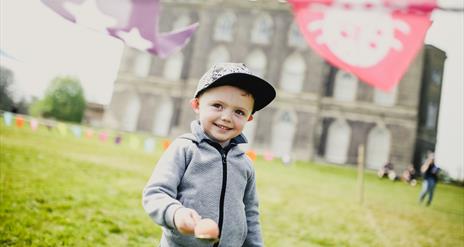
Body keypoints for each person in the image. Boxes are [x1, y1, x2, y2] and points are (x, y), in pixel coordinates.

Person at [142, 63, 276, 247]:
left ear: (249, 118)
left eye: (239, 112)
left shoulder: (245, 164)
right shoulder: (184, 149)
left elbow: (250, 214)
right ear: (197, 105)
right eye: (218, 106)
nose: (227, 117)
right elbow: (156, 193)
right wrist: (175, 214)